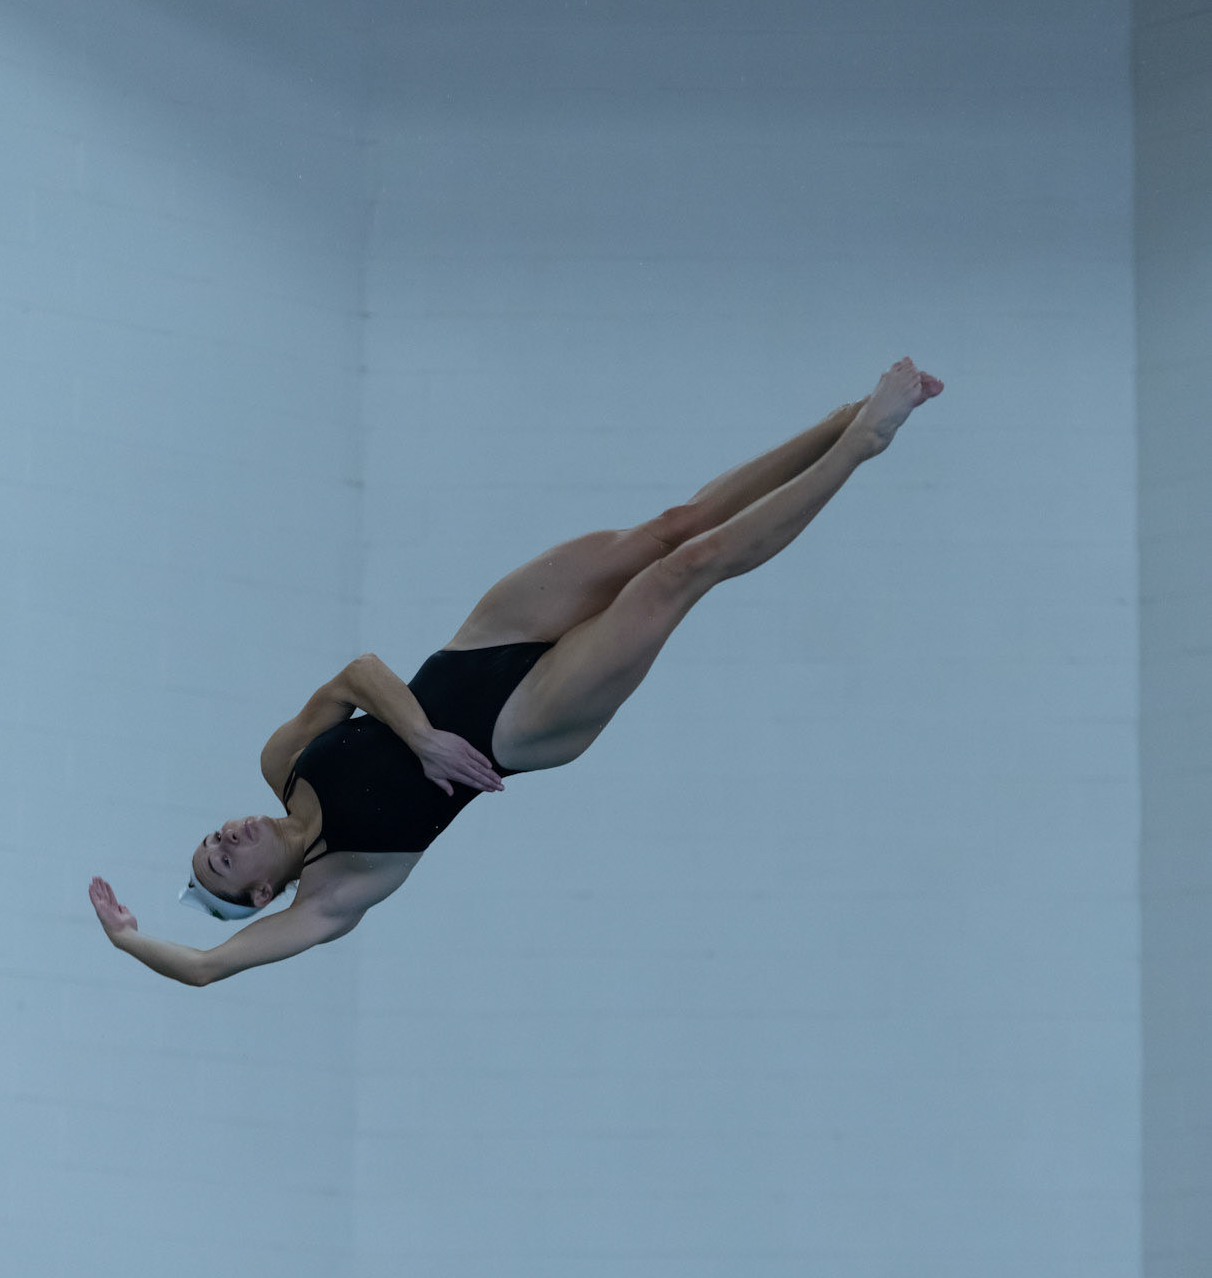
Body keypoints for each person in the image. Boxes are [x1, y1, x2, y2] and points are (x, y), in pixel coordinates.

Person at [89, 358, 943, 985]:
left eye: (208, 843)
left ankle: (837, 415)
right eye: (221, 868)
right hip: (525, 725)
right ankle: (861, 445)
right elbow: (206, 968)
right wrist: (131, 941)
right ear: (264, 891)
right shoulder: (331, 894)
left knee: (670, 524)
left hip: (477, 645)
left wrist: (420, 737)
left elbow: (357, 674)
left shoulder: (281, 763)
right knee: (684, 572)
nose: (221, 842)